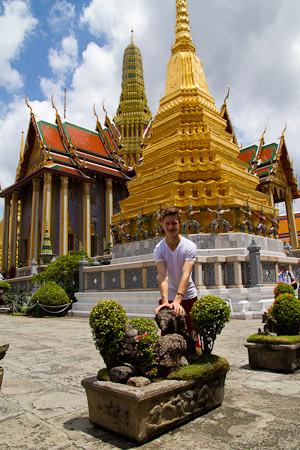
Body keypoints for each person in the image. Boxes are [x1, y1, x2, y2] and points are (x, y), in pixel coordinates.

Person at [154, 206, 198, 338]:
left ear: (180, 223)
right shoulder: (159, 249)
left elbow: (186, 273)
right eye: (167, 223)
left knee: (192, 337)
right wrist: (165, 302)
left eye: (174, 223)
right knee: (167, 338)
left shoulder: (189, 246)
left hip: (188, 296)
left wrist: (178, 300)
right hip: (169, 296)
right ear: (162, 225)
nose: (170, 227)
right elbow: (162, 275)